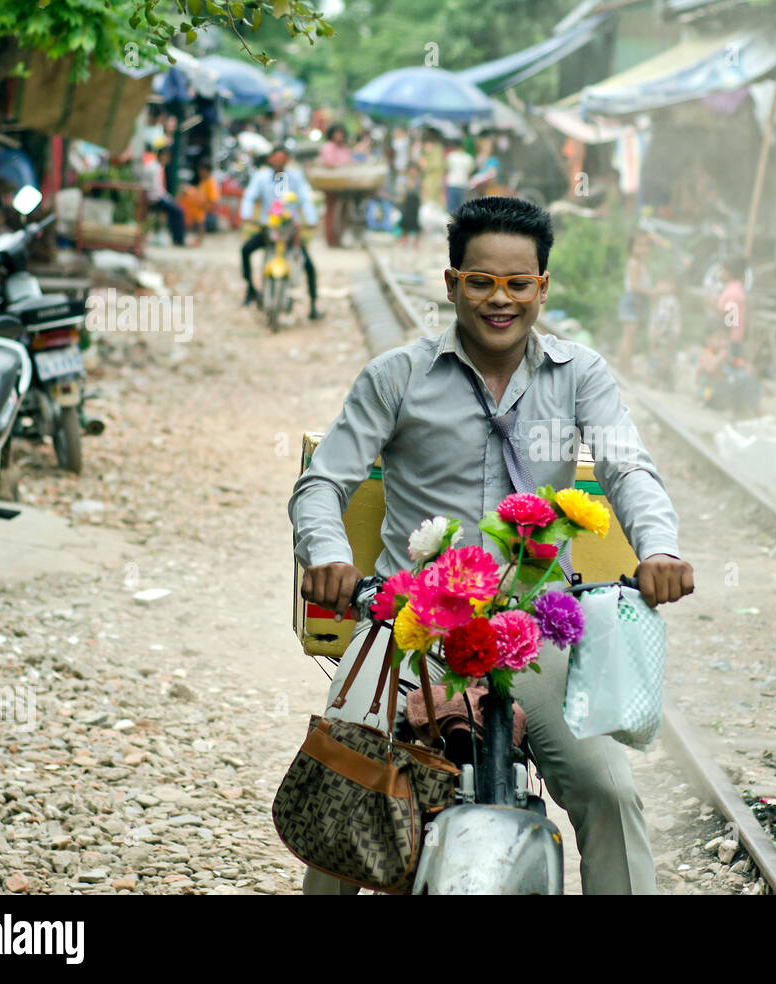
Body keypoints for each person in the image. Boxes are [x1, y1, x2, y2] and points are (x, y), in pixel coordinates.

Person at [291, 196, 695, 895]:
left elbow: (628, 468)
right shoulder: (397, 376)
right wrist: (328, 555)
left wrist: (658, 549)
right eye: (481, 282)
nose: (499, 300)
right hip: (406, 629)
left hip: (535, 632)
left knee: (610, 794)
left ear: (543, 287)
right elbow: (321, 483)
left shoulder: (581, 375)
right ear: (452, 285)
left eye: (518, 284)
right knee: (342, 786)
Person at [240, 146, 322, 320]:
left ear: (287, 160)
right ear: (269, 159)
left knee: (308, 266)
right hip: (267, 229)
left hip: (290, 231)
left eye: (282, 158)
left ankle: (313, 305)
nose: (279, 161)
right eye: (275, 157)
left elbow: (305, 199)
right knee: (245, 250)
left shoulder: (295, 177)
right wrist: (246, 215)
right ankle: (250, 289)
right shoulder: (261, 177)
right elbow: (250, 196)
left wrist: (311, 219)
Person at [617, 232, 655, 376]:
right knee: (628, 337)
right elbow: (634, 286)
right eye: (639, 246)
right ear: (632, 247)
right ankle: (624, 369)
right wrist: (653, 292)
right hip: (632, 300)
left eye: (646, 246)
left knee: (630, 337)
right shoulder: (633, 263)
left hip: (636, 301)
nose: (643, 249)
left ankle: (626, 369)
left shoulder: (641, 263)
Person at [140, 146, 186, 246]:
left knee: (176, 210)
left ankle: (177, 239)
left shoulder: (157, 167)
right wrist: (169, 199)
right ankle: (179, 240)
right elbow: (157, 190)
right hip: (154, 199)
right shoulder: (155, 168)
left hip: (156, 197)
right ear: (162, 156)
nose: (168, 159)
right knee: (178, 211)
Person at [318, 123, 354, 248]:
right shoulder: (328, 147)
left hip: (344, 184)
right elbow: (328, 162)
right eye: (336, 133)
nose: (339, 136)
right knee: (331, 212)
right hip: (331, 184)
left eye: (341, 133)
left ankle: (339, 238)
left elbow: (349, 162)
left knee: (344, 211)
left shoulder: (344, 148)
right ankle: (331, 240)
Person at [715, 254, 749, 361]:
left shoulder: (734, 291)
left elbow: (728, 317)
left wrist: (710, 304)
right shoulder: (733, 288)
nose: (720, 274)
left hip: (730, 341)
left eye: (722, 271)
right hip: (729, 340)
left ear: (729, 273)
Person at [443, 140, 474, 214]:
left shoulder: (451, 156)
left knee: (450, 209)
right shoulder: (468, 158)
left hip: (452, 184)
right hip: (462, 185)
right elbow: (469, 174)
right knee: (461, 209)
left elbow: (446, 170)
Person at [397, 162, 422, 250]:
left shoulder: (418, 181)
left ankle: (416, 241)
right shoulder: (404, 181)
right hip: (407, 204)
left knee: (416, 222)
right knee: (405, 221)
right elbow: (402, 193)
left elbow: (420, 193)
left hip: (415, 204)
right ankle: (404, 238)